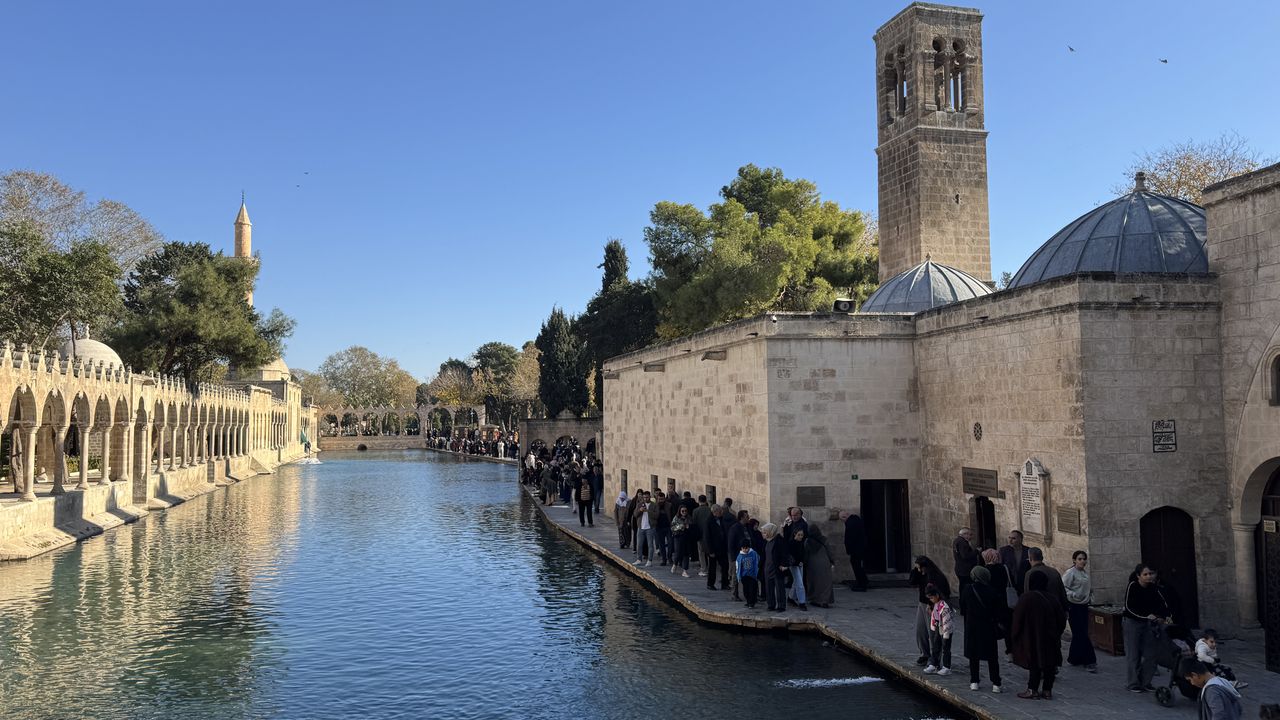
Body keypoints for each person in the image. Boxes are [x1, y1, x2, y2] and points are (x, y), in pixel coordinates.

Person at [1011, 571, 1066, 699]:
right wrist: (1056, 633)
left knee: (1034, 662)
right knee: (1050, 663)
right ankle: (1047, 690)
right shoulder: (1052, 598)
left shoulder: (1026, 598)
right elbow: (1061, 619)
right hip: (1050, 637)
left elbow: (1017, 619)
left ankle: (1032, 689)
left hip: (1031, 637)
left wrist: (1015, 635)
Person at [1123, 563, 1171, 693]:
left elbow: (1162, 604)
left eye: (1150, 574)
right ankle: (1133, 683)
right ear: (1138, 576)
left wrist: (1164, 616)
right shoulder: (1133, 586)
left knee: (1151, 654)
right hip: (1133, 623)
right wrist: (1145, 616)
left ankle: (1145, 681)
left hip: (1148, 624)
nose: (1148, 577)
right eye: (1145, 574)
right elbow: (1129, 607)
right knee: (1133, 654)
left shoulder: (1153, 588)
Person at [960, 565, 1004, 694]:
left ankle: (974, 681)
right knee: (992, 656)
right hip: (988, 626)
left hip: (972, 626)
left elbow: (962, 607)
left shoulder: (968, 589)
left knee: (974, 655)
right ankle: (996, 683)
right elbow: (998, 611)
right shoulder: (992, 591)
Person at [909, 556, 951, 664]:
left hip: (933, 606)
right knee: (920, 631)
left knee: (933, 632)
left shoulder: (935, 576)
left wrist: (932, 605)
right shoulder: (920, 574)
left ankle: (935, 658)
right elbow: (912, 582)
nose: (919, 570)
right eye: (918, 568)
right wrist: (915, 570)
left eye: (920, 568)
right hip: (922, 604)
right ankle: (924, 654)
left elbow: (943, 593)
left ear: (926, 567)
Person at [1062, 550, 1097, 672]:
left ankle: (1074, 658)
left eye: (1084, 559)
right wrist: (1073, 594)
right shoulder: (1070, 573)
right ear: (1074, 560)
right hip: (1074, 606)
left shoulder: (1084, 573)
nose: (1082, 561)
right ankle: (1090, 660)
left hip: (1083, 606)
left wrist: (1090, 597)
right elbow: (1063, 588)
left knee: (1080, 633)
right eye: (1080, 559)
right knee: (1081, 634)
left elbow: (1088, 588)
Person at [923, 584, 956, 676]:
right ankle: (934, 664)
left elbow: (947, 621)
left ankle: (946, 667)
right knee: (936, 646)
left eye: (931, 598)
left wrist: (946, 634)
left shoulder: (944, 606)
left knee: (946, 648)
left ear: (937, 595)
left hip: (945, 629)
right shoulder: (936, 604)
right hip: (939, 627)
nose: (931, 600)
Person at [1023, 547, 1067, 613]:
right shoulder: (1054, 571)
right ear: (1042, 558)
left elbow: (1027, 594)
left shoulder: (1029, 573)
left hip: (1039, 611)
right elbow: (1062, 592)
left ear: (1030, 558)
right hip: (1055, 609)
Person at [804, 524, 836, 608]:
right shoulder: (824, 539)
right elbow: (829, 551)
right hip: (825, 563)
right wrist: (832, 561)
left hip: (812, 564)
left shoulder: (808, 541)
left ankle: (815, 599)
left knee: (814, 582)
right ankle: (825, 601)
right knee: (825, 583)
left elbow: (806, 554)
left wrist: (804, 563)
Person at [999, 530, 1038, 595]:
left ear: (1020, 539)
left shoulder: (1028, 551)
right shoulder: (1003, 550)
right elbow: (1001, 566)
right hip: (1009, 584)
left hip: (1024, 583)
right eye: (1009, 538)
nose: (1010, 540)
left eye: (1013, 538)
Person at [762, 523, 788, 613]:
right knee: (769, 587)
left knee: (779, 587)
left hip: (777, 568)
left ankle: (781, 606)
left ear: (770, 532)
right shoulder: (767, 541)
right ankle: (771, 605)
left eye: (765, 532)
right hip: (768, 567)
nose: (763, 534)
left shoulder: (779, 540)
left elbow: (784, 553)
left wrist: (783, 564)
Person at [842, 511, 869, 592]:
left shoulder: (850, 523)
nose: (843, 521)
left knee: (857, 566)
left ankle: (862, 584)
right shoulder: (856, 520)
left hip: (856, 549)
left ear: (844, 517)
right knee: (858, 565)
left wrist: (849, 549)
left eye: (842, 519)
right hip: (860, 548)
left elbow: (850, 538)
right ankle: (863, 581)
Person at [705, 505, 730, 590]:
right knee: (712, 567)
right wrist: (710, 551)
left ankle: (725, 583)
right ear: (715, 512)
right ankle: (710, 584)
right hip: (713, 548)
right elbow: (707, 537)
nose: (722, 512)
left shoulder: (722, 519)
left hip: (722, 548)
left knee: (725, 566)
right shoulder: (709, 521)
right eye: (720, 511)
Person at [726, 510, 749, 601]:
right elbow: (731, 544)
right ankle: (734, 594)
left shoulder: (747, 527)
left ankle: (748, 594)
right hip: (737, 555)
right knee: (735, 576)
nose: (748, 518)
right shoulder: (735, 528)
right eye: (747, 516)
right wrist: (733, 558)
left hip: (747, 555)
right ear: (742, 518)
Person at [953, 527, 979, 610]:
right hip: (965, 570)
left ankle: (964, 606)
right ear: (965, 534)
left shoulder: (957, 540)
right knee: (965, 588)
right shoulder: (962, 542)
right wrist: (976, 551)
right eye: (970, 535)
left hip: (960, 569)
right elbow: (965, 556)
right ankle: (965, 607)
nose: (971, 537)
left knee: (963, 588)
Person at [633, 493, 657, 567]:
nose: (645, 499)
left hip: (650, 528)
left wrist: (648, 511)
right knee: (639, 545)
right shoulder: (639, 504)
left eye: (647, 497)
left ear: (650, 497)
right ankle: (639, 559)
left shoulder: (654, 505)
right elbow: (635, 514)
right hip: (641, 528)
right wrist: (640, 510)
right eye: (644, 497)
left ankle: (649, 560)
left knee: (650, 545)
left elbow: (656, 515)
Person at [670, 505, 693, 578]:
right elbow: (672, 527)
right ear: (679, 511)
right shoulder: (676, 518)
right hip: (678, 537)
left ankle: (685, 571)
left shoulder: (689, 518)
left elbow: (692, 526)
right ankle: (675, 564)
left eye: (685, 511)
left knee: (686, 554)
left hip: (687, 537)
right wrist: (681, 526)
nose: (684, 512)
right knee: (678, 552)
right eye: (682, 511)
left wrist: (689, 527)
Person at [736, 539, 761, 609]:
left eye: (746, 548)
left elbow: (757, 561)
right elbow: (738, 567)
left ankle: (751, 603)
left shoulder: (753, 553)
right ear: (741, 548)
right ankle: (748, 601)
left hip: (752, 576)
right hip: (744, 576)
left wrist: (757, 573)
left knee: (752, 590)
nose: (745, 550)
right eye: (743, 548)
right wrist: (739, 576)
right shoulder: (740, 556)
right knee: (746, 590)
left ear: (749, 547)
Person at [692, 496, 712, 576]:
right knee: (710, 551)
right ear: (706, 500)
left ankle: (703, 569)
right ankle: (711, 568)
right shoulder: (710, 510)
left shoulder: (695, 511)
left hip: (700, 534)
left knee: (701, 552)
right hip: (710, 534)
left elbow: (694, 523)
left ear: (698, 501)